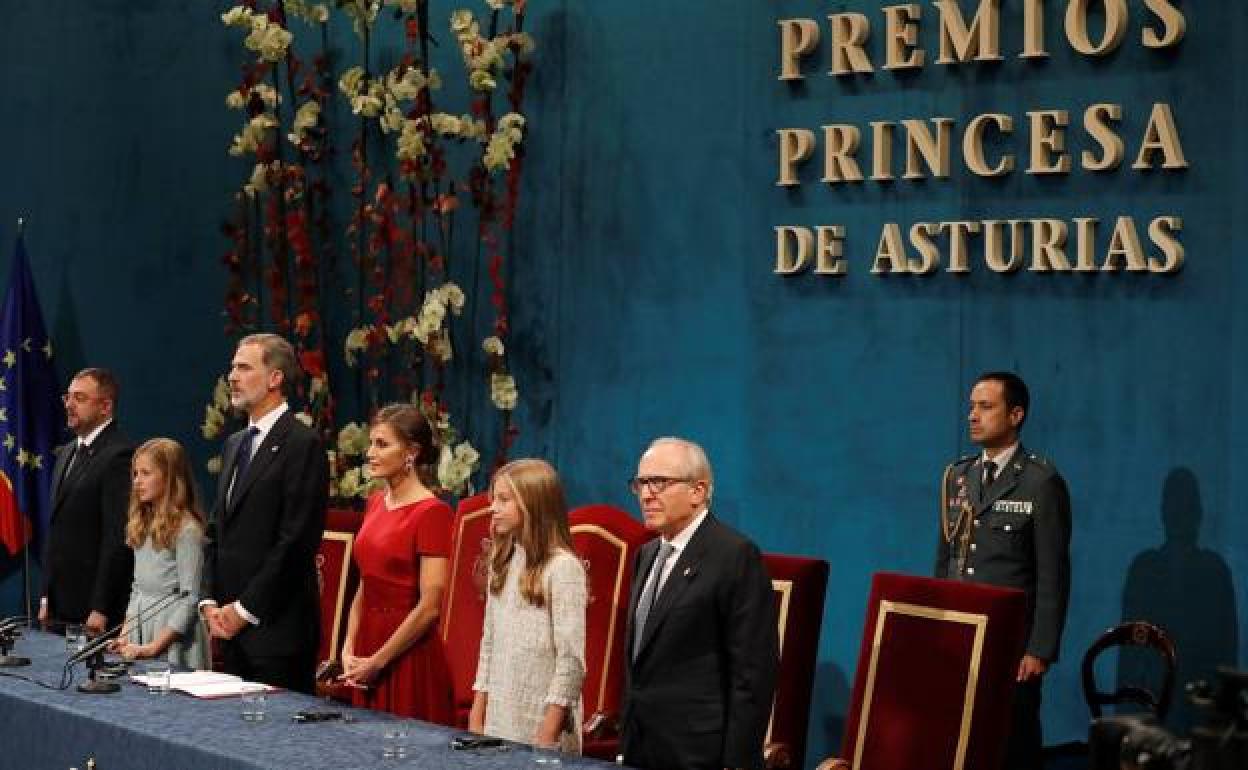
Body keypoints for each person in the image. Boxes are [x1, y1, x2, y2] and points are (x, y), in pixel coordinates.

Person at [935, 371, 1072, 770]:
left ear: (1015, 415)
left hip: (1013, 646)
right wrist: (941, 627)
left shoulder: (1039, 482)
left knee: (1013, 746)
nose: (973, 416)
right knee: (961, 744)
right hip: (962, 637)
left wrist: (1039, 649)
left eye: (986, 406)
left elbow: (1053, 575)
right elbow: (946, 561)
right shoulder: (957, 476)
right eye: (971, 407)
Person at [621, 437, 778, 770]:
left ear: (699, 491)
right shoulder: (646, 555)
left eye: (659, 482)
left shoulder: (734, 555)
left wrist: (736, 763)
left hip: (699, 754)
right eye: (641, 483)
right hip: (641, 748)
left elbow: (752, 673)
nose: (647, 494)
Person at [200, 333, 329, 693]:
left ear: (275, 378)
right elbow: (215, 530)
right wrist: (210, 600)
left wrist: (243, 611)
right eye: (232, 367)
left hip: (276, 634)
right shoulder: (234, 444)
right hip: (228, 633)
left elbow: (296, 542)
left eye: (244, 367)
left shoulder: (303, 444)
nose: (232, 376)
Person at [338, 403, 453, 722]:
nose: (371, 453)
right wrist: (348, 648)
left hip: (406, 652)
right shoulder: (374, 503)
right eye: (371, 444)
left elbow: (430, 606)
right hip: (367, 645)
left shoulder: (433, 512)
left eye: (382, 444)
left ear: (411, 453)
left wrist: (379, 661)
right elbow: (365, 583)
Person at [470, 458, 587, 753]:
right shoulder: (502, 561)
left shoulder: (563, 568)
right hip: (499, 716)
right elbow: (489, 642)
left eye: (504, 500)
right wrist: (478, 710)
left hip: (541, 723)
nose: (493, 508)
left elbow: (571, 662)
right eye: (493, 499)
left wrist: (547, 735)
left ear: (534, 504)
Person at [40, 368, 134, 636]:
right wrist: (47, 595)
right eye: (67, 397)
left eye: (79, 398)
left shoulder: (120, 455)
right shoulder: (67, 452)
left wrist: (101, 606)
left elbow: (116, 538)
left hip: (92, 611)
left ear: (105, 406)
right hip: (59, 607)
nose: (69, 405)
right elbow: (57, 528)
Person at [109, 438, 209, 669]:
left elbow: (190, 599)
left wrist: (154, 647)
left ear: (170, 478)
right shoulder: (141, 525)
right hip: (142, 624)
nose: (137, 482)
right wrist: (125, 634)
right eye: (135, 474)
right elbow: (138, 588)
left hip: (172, 633)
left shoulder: (188, 530)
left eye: (146, 473)